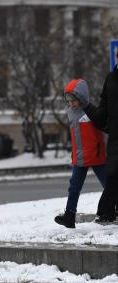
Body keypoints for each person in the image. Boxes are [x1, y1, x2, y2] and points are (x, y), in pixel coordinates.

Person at [54, 79, 106, 228]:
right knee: (74, 187)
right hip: (80, 157)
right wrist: (74, 154)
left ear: (81, 97)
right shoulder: (70, 112)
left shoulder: (92, 112)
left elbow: (104, 132)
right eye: (68, 100)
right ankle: (70, 216)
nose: (71, 103)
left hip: (97, 156)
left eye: (74, 99)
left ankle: (112, 209)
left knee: (109, 186)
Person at [75, 56, 118, 223]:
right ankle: (106, 213)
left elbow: (101, 117)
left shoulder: (111, 79)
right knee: (113, 176)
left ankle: (106, 213)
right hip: (115, 140)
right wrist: (86, 105)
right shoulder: (111, 79)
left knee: (114, 176)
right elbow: (101, 116)